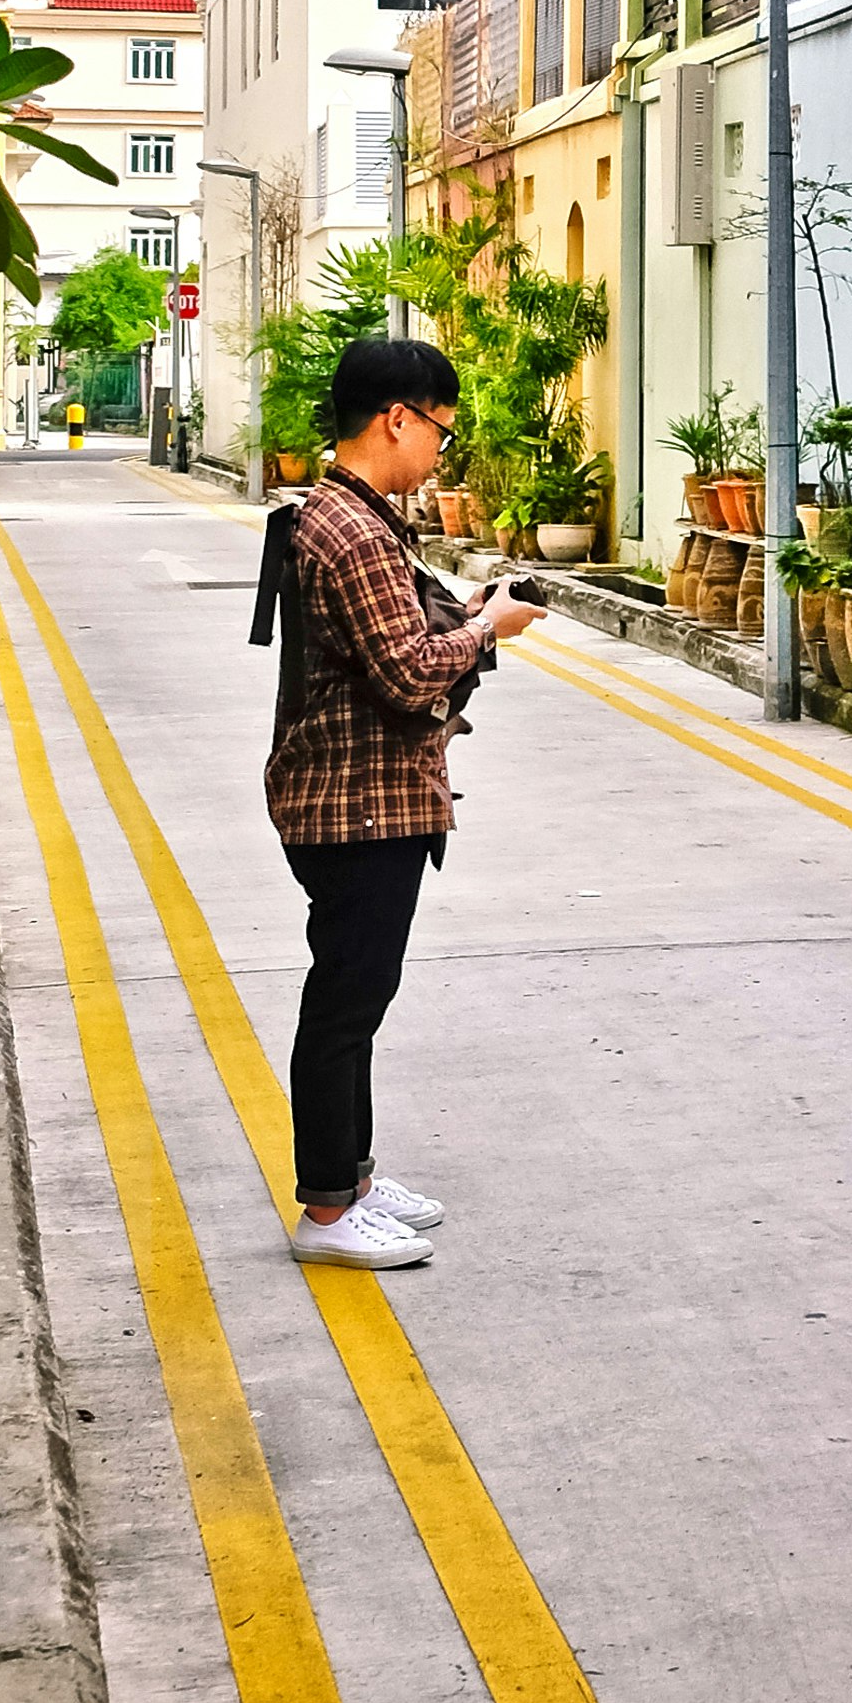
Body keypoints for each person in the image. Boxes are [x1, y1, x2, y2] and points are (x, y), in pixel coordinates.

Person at [254, 331, 540, 1271]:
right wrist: (490, 630)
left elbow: (399, 639)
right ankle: (328, 1213)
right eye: (442, 434)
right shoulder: (352, 529)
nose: (440, 454)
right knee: (346, 1003)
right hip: (354, 806)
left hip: (360, 798)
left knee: (357, 998)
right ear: (397, 419)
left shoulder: (349, 516)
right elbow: (410, 673)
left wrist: (468, 615)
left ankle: (354, 1183)